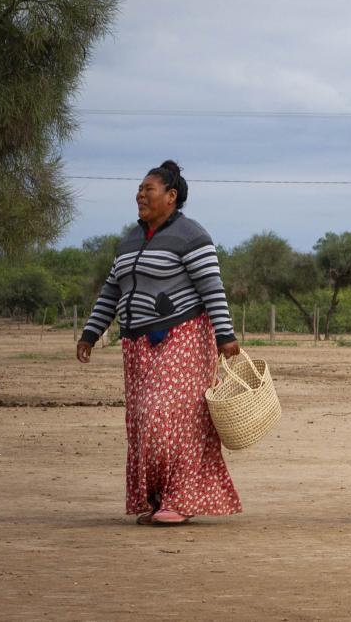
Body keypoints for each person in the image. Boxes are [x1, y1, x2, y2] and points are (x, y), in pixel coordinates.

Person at [75, 160, 242, 525]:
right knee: (140, 423)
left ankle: (180, 500)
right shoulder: (129, 241)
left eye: (148, 189)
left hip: (181, 338)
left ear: (171, 196)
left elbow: (212, 289)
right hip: (135, 346)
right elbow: (111, 291)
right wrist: (91, 332)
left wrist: (226, 336)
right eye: (139, 189)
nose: (140, 195)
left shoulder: (191, 236)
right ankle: (156, 500)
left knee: (165, 416)